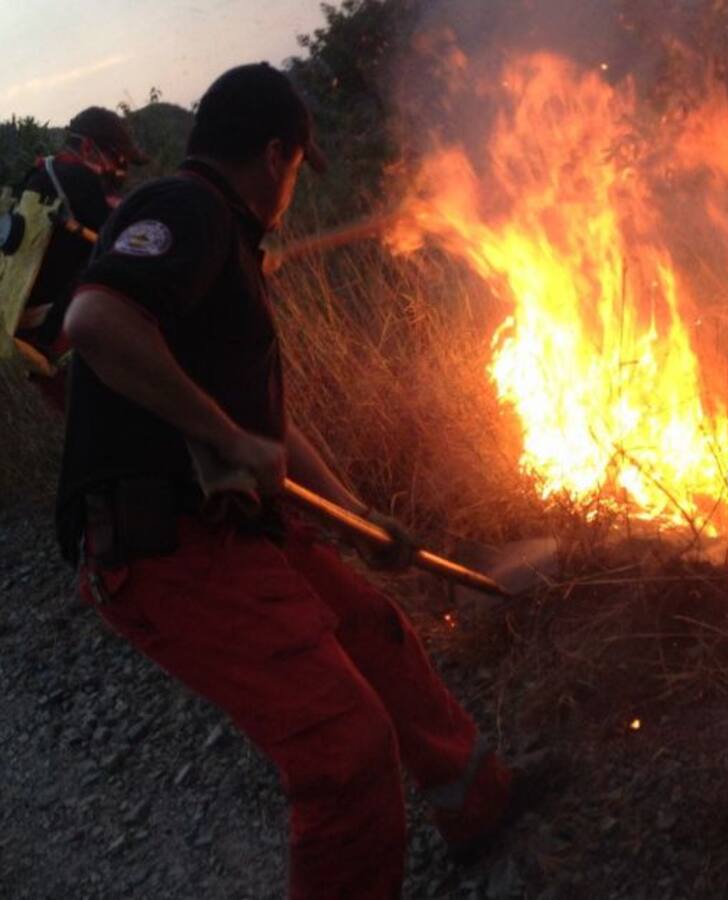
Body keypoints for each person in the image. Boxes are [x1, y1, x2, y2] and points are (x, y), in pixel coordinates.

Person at [57, 63, 516, 899]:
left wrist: (355, 516)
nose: (296, 189)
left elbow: (267, 441)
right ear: (276, 155)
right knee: (346, 748)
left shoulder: (224, 241)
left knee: (375, 630)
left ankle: (477, 803)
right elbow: (94, 322)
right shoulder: (183, 208)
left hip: (230, 527)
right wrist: (226, 434)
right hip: (164, 549)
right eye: (301, 169)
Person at [14, 107, 147, 407]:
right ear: (88, 148)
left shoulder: (39, 173)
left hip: (24, 314)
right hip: (55, 325)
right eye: (118, 158)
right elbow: (134, 237)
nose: (120, 169)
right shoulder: (81, 180)